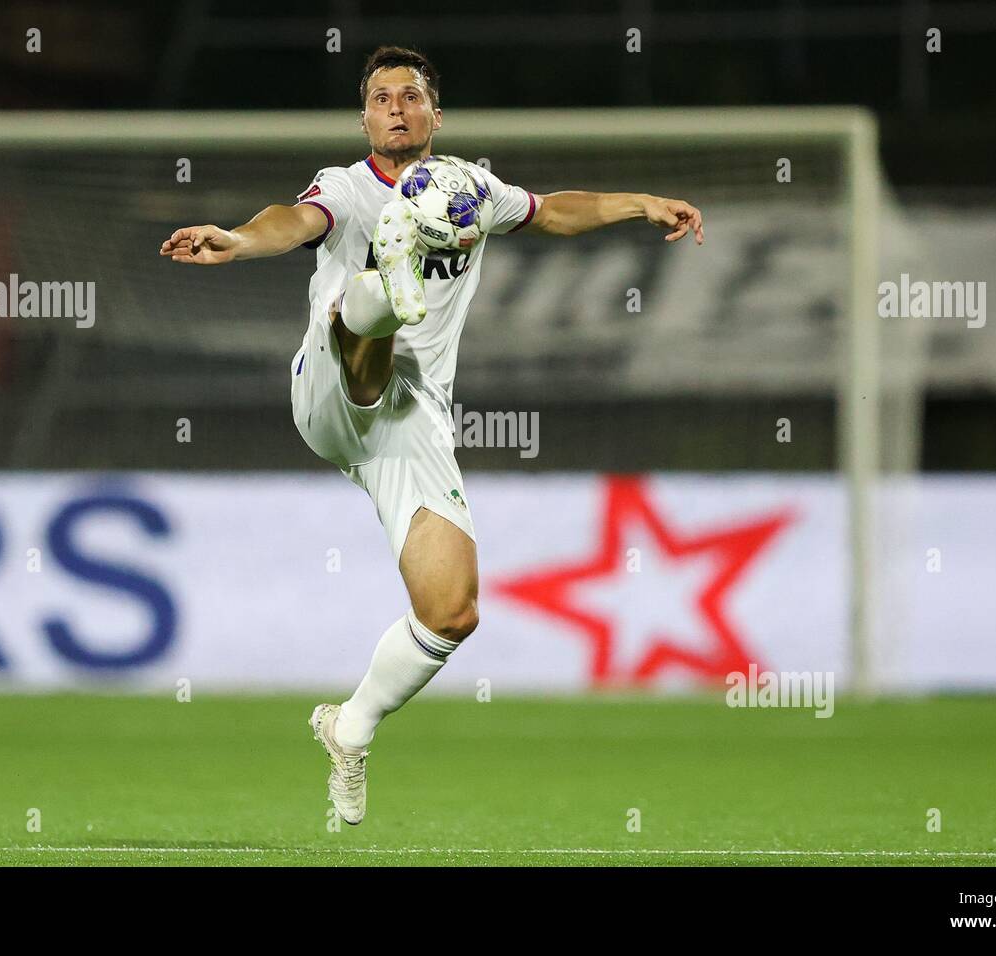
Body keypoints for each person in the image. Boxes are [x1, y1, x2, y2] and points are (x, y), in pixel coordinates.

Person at [159, 45, 703, 825]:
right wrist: (240, 240)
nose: (396, 107)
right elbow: (293, 221)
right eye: (381, 97)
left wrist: (639, 203)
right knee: (356, 305)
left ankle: (350, 726)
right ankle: (388, 290)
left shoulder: (470, 189)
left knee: (452, 611)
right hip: (330, 387)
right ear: (365, 118)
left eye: (410, 96)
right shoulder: (346, 188)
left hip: (410, 418)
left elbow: (551, 210)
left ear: (434, 115)